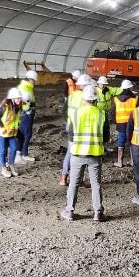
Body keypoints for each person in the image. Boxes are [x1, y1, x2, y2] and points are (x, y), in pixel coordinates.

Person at [60, 85, 109, 222]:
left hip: (77, 154)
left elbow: (70, 134)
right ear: (95, 99)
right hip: (95, 154)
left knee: (74, 183)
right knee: (96, 184)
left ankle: (70, 211)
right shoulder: (102, 114)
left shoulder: (75, 113)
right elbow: (106, 137)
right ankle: (98, 213)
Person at [60, 73, 93, 185]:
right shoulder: (87, 98)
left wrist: (68, 122)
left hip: (71, 126)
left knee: (70, 151)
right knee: (82, 153)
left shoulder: (72, 95)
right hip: (82, 128)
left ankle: (63, 177)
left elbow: (64, 111)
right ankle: (79, 179)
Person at [0, 88, 23, 178]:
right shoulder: (5, 106)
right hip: (1, 133)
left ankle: (11, 165)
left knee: (14, 148)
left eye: (20, 98)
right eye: (17, 98)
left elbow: (16, 120)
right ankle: (3, 168)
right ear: (12, 98)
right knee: (3, 150)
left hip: (11, 133)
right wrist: (3, 128)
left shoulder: (17, 107)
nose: (19, 100)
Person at [112, 80, 137, 168]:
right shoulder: (135, 99)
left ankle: (119, 161)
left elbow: (113, 112)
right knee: (132, 142)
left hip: (120, 124)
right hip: (132, 124)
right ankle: (133, 161)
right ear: (130, 88)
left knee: (121, 142)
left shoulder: (116, 99)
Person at [15, 69, 38, 163]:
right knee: (27, 134)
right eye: (34, 80)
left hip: (23, 113)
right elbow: (25, 101)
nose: (34, 82)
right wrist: (29, 109)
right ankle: (23, 155)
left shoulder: (25, 86)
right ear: (31, 79)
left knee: (21, 134)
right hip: (26, 113)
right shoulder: (26, 88)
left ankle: (19, 154)